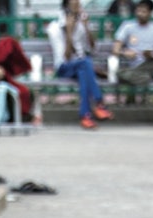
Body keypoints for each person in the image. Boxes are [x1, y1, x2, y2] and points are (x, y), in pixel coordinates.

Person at [48, 0, 112, 129]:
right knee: (85, 63)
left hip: (82, 66)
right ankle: (99, 102)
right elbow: (64, 58)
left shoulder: (81, 25)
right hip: (64, 67)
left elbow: (93, 50)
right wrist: (70, 34)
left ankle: (85, 116)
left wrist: (87, 27)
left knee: (84, 70)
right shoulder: (54, 28)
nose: (78, 4)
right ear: (66, 7)